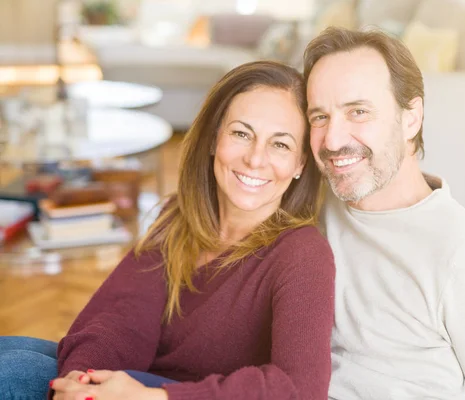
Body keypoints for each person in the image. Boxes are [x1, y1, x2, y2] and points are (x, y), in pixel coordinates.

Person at [0, 60, 335, 400]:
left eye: (280, 144)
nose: (255, 159)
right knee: (10, 352)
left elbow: (299, 390)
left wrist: (155, 397)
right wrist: (79, 382)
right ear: (212, 139)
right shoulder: (178, 216)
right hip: (141, 384)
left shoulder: (303, 253)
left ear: (300, 164)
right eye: (241, 133)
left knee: (14, 372)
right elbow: (123, 316)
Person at [303, 27, 465, 400]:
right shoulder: (311, 204)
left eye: (358, 111)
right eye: (319, 117)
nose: (332, 140)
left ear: (411, 118)